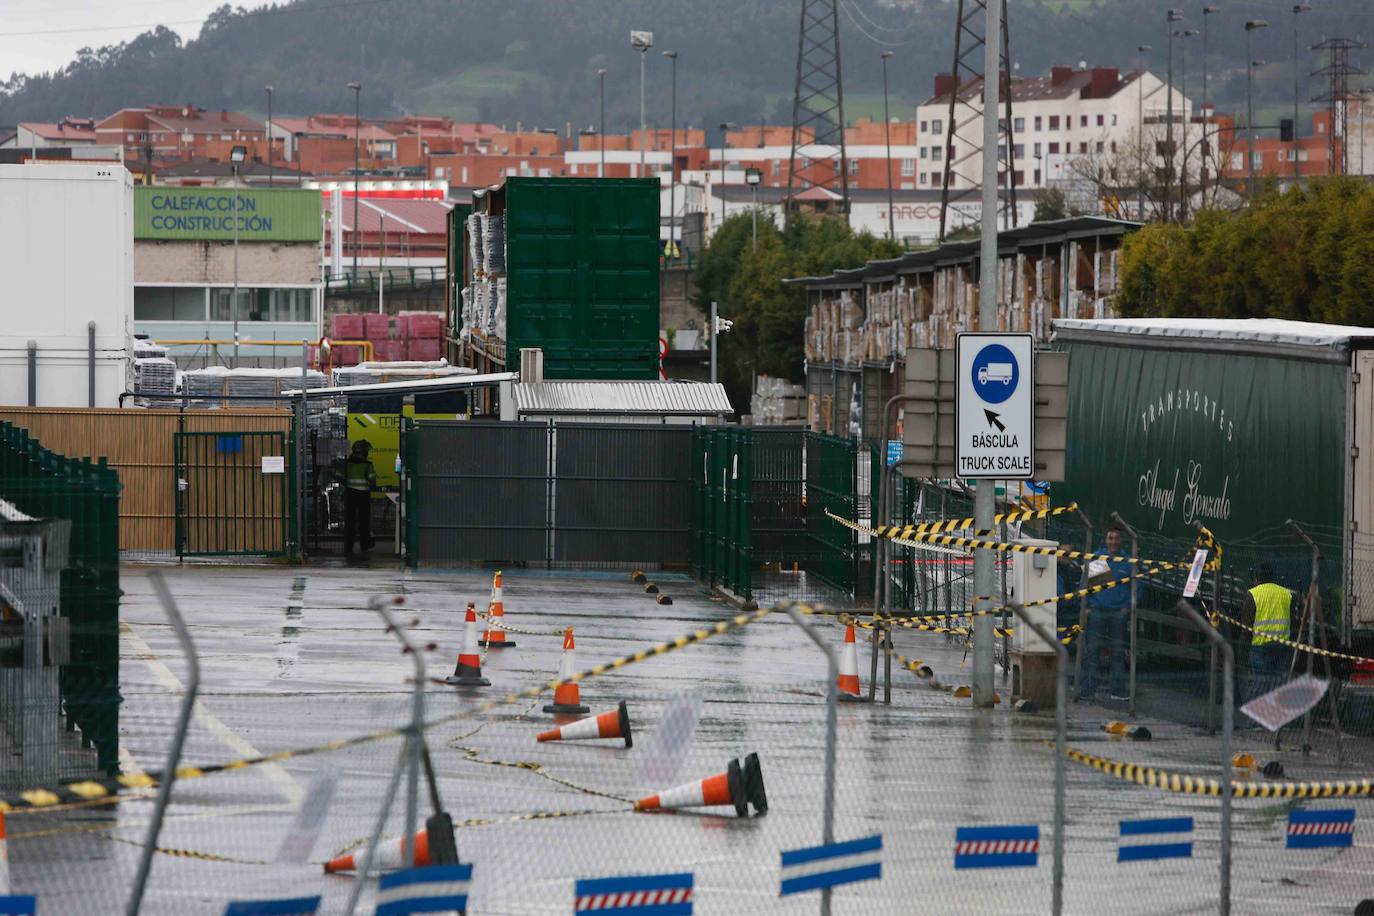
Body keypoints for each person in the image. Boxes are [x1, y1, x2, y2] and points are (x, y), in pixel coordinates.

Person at [1077, 526, 1133, 701]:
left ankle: (1117, 691)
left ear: (1121, 540)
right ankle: (1087, 690)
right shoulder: (1099, 559)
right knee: (1092, 652)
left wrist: (1127, 608)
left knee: (1118, 653)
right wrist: (1087, 608)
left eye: (1116, 538)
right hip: (1098, 612)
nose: (1113, 542)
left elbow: (1136, 589)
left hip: (1119, 613)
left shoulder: (1127, 561)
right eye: (1110, 538)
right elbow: (1084, 586)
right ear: (1105, 539)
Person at [1238, 561, 1295, 701]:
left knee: (1261, 683)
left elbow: (1246, 628)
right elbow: (1292, 621)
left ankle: (1258, 718)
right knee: (1279, 684)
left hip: (1261, 647)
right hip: (1282, 646)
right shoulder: (1286, 594)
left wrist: (1242, 653)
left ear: (1256, 577)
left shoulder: (1253, 594)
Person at [342, 439, 376, 557]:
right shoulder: (367, 465)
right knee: (364, 521)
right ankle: (364, 546)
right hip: (363, 495)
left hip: (350, 494)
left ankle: (348, 548)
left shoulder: (347, 464)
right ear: (364, 452)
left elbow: (338, 476)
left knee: (350, 522)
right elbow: (372, 479)